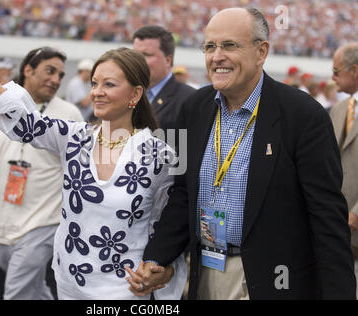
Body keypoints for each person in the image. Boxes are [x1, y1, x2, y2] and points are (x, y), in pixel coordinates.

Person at [0, 4, 187, 300]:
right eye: (94, 83)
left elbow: (174, 219)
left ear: (134, 94)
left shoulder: (160, 155)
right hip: (70, 285)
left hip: (126, 292)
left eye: (109, 84)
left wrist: (163, 269)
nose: (97, 92)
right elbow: (22, 122)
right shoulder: (75, 137)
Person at [130, 7, 356, 300]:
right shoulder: (194, 109)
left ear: (261, 51)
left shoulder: (303, 115)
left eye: (229, 45)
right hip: (206, 272)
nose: (216, 56)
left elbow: (327, 217)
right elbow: (182, 193)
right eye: (209, 47)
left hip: (274, 279)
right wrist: (158, 256)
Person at [0, 44, 84, 299]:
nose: (56, 79)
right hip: (3, 226)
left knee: (16, 294)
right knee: (35, 291)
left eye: (60, 74)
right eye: (50, 71)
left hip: (44, 222)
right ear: (28, 69)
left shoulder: (70, 113)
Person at [329, 42, 358, 298]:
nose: (332, 77)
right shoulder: (338, 110)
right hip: (337, 226)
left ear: (355, 70)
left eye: (336, 71)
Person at [132, 25, 195, 131]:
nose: (138, 61)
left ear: (168, 60)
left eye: (146, 55)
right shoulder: (125, 93)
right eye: (135, 55)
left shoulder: (190, 100)